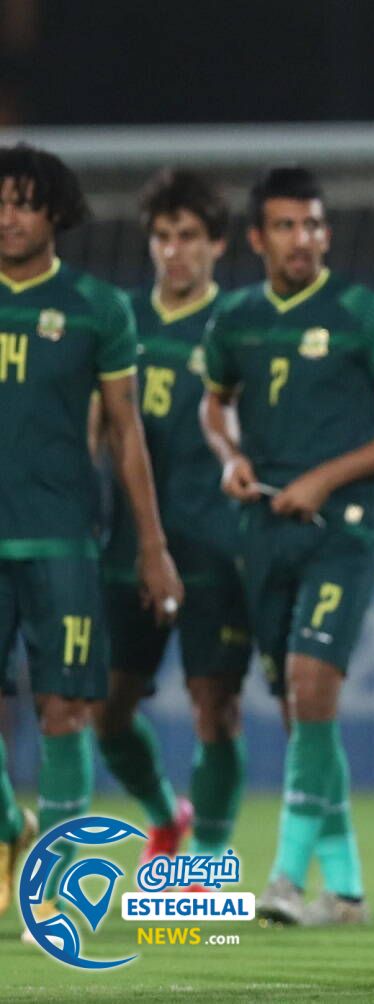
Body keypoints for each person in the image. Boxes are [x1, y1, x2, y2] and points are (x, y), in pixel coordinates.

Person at [201, 166, 374, 927]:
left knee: (311, 686)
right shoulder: (235, 318)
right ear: (256, 238)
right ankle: (347, 888)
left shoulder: (361, 312)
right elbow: (214, 406)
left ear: (325, 233)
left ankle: (284, 879)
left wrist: (323, 480)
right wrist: (231, 458)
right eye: (285, 226)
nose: (302, 239)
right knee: (298, 708)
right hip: (265, 529)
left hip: (343, 528)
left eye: (312, 225)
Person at [0, 143, 184, 938]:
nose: (8, 216)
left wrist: (151, 543)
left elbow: (125, 432)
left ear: (57, 213)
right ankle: (13, 825)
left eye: (25, 202)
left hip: (64, 537)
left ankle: (52, 883)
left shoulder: (97, 308)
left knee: (66, 708)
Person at [94, 168, 252, 869]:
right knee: (105, 712)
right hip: (128, 544)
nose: (174, 251)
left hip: (217, 544)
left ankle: (205, 861)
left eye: (189, 236)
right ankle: (166, 812)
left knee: (213, 707)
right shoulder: (119, 319)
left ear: (217, 245)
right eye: (162, 236)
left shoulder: (243, 324)